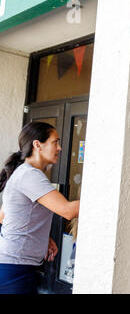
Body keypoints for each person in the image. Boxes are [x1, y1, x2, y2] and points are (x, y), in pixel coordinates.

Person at [0, 122, 80, 294]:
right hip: (15, 268)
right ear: (37, 145)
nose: (59, 148)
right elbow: (68, 210)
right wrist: (106, 198)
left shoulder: (23, 172)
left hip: (14, 265)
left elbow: (4, 216)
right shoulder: (30, 175)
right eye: (55, 142)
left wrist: (41, 236)